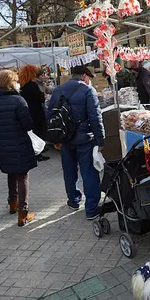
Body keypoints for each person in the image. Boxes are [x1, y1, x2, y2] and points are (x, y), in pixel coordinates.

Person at [47, 65, 105, 220]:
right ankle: (91, 209)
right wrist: (100, 140)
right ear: (85, 77)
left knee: (69, 171)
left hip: (65, 139)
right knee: (89, 173)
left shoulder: (58, 90)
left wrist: (55, 139)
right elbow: (95, 117)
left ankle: (73, 201)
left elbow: (50, 115)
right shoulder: (88, 91)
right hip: (84, 139)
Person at [0, 70, 38, 226]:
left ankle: (13, 203)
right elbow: (28, 124)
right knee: (22, 176)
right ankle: (22, 213)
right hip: (19, 144)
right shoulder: (18, 100)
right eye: (16, 81)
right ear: (10, 83)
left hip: (2, 145)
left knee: (11, 173)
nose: (18, 83)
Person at [19, 65, 49, 161]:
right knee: (38, 132)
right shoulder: (32, 85)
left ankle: (35, 151)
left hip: (28, 111)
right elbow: (39, 98)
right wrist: (43, 96)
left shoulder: (23, 85)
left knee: (33, 133)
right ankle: (38, 153)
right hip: (36, 111)